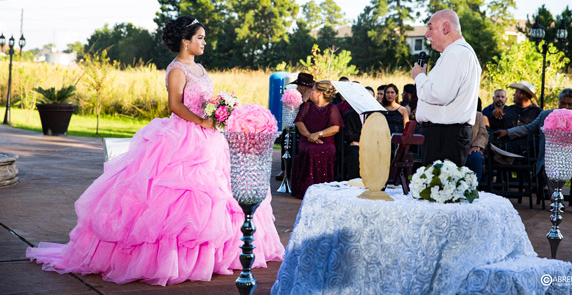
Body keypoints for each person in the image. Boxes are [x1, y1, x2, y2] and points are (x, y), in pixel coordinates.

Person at [26, 16, 284, 285]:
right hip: (183, 136)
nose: (204, 43)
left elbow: (204, 100)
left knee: (219, 194)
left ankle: (218, 254)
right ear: (185, 42)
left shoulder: (199, 68)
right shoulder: (177, 70)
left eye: (204, 38)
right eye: (200, 38)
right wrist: (202, 121)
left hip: (209, 137)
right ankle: (168, 259)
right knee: (178, 195)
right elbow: (175, 105)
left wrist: (219, 110)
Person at [495, 88, 572, 216]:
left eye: (569, 104)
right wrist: (508, 132)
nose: (565, 107)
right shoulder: (546, 115)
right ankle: (557, 203)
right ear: (558, 102)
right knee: (549, 168)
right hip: (553, 157)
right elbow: (528, 128)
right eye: (563, 103)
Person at [410, 9, 481, 166]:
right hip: (444, 135)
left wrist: (419, 76)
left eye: (430, 28)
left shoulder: (456, 53)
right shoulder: (458, 53)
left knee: (440, 181)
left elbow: (440, 95)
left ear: (445, 28)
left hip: (444, 136)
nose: (426, 35)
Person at [291, 80, 344, 199]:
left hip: (326, 141)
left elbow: (335, 127)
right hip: (306, 140)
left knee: (325, 150)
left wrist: (318, 134)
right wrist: (310, 136)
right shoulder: (307, 106)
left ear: (320, 93)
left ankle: (321, 189)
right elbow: (299, 122)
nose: (311, 92)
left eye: (313, 90)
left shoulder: (332, 108)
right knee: (309, 150)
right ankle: (305, 188)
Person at [275, 72, 315, 181]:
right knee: (286, 133)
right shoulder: (296, 97)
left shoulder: (313, 99)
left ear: (305, 88)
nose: (297, 88)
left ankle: (293, 168)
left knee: (294, 136)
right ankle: (285, 168)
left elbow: (306, 114)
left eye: (299, 86)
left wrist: (304, 101)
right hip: (297, 125)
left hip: (310, 127)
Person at [465, 98, 489, 185]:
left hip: (472, 148)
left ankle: (474, 188)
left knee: (476, 157)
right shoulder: (453, 114)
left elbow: (483, 134)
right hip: (456, 149)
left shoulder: (478, 116)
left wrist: (476, 146)